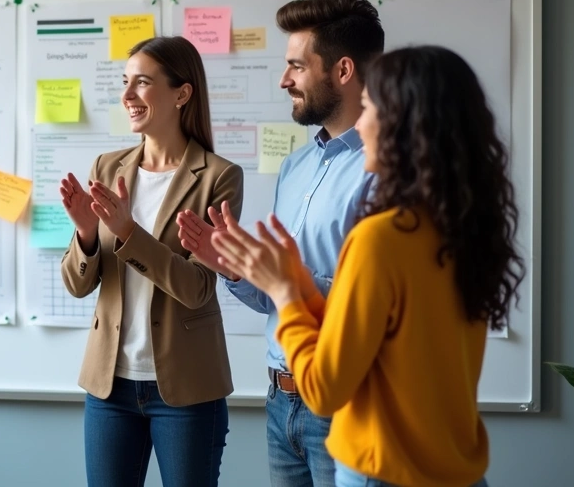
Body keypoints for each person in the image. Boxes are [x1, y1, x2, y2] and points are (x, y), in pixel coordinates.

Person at [210, 45, 520, 487]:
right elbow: (381, 343)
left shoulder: (381, 238)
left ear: (402, 126)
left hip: (383, 470)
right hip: (457, 471)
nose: (361, 123)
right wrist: (297, 279)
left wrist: (285, 294)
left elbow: (323, 389)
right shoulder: (463, 232)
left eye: (370, 107)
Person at [177, 0, 383, 486]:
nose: (284, 80)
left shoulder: (386, 170)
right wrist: (233, 267)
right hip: (279, 401)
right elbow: (275, 301)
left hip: (344, 398)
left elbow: (376, 301)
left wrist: (285, 276)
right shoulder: (294, 168)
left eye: (296, 66)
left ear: (343, 70)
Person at [59, 35, 244, 486]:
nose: (126, 96)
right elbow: (79, 284)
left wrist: (127, 232)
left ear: (182, 94)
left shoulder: (219, 177)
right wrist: (86, 234)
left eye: (142, 83)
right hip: (109, 386)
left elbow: (199, 289)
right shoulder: (107, 167)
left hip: (186, 389)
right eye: (125, 82)